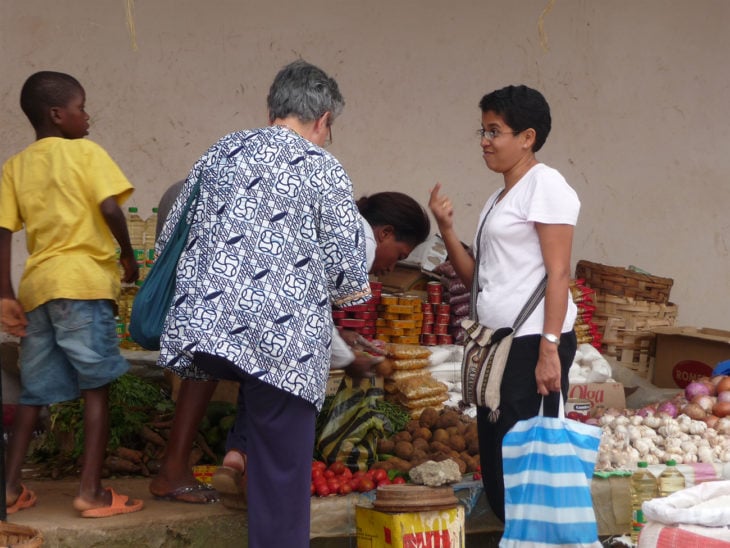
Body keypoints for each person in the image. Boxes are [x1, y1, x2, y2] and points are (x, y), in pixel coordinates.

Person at [151, 59, 371, 547]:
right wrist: (346, 295)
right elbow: (345, 270)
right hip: (282, 334)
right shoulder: (322, 166)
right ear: (324, 120)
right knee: (283, 472)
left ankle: (237, 455)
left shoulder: (221, 150)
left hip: (205, 324)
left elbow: (171, 232)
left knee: (250, 386)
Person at [211, 191, 431, 507]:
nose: (392, 266)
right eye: (399, 254)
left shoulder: (334, 225)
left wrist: (340, 336)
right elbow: (306, 306)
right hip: (282, 332)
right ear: (385, 233)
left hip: (252, 315)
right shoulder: (362, 243)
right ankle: (262, 493)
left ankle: (236, 460)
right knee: (281, 416)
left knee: (256, 395)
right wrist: (348, 359)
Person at [428, 85, 580, 523]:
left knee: (525, 467)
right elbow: (477, 279)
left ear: (527, 137)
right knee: (498, 465)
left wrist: (550, 349)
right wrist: (447, 228)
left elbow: (558, 273)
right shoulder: (499, 199)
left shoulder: (546, 185)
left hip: (531, 344)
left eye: (495, 131)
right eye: (483, 130)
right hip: (498, 347)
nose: (485, 141)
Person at [0, 71, 143, 517]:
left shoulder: (16, 166)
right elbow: (108, 207)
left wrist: (5, 293)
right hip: (82, 284)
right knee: (95, 387)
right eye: (82, 108)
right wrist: (127, 255)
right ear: (57, 114)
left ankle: (8, 488)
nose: (88, 118)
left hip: (39, 289)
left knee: (34, 393)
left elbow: (2, 231)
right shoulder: (86, 153)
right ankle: (91, 492)